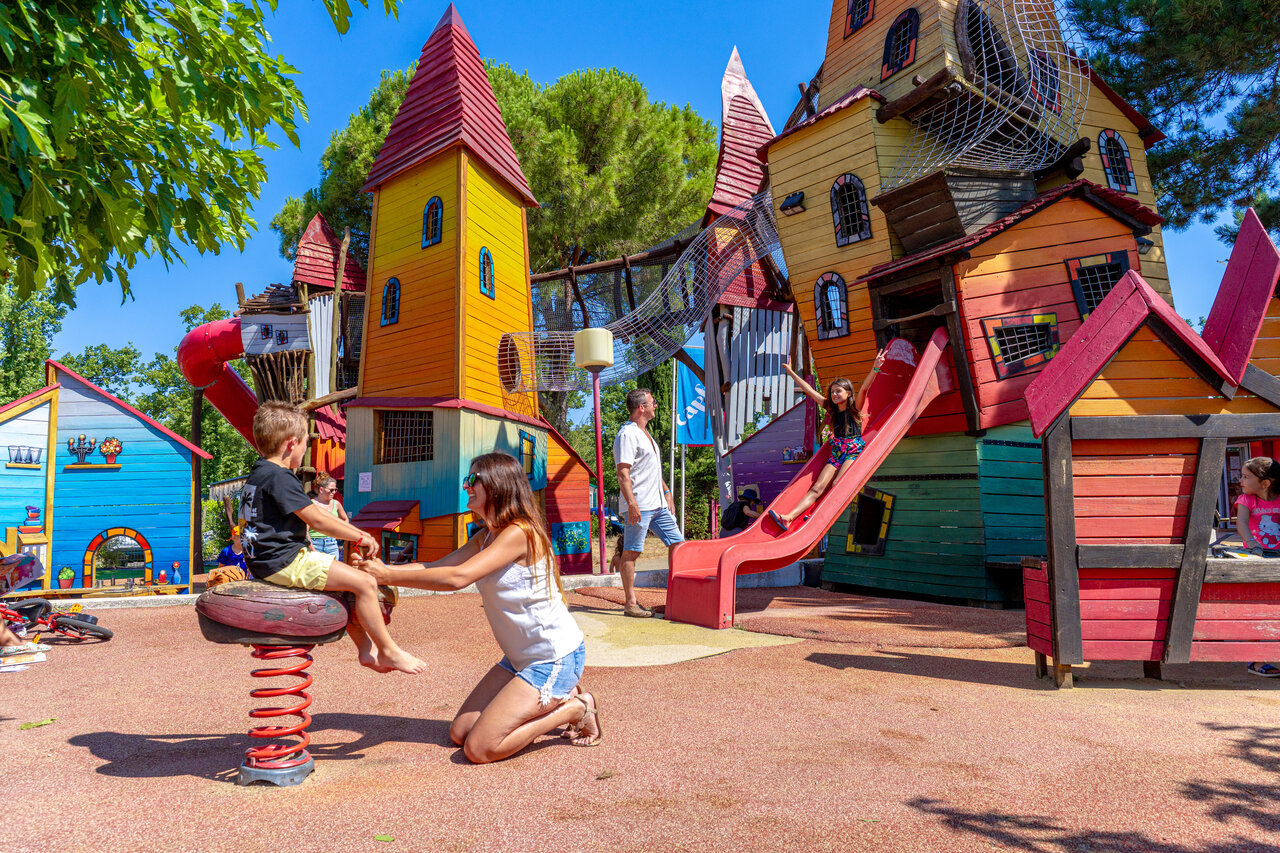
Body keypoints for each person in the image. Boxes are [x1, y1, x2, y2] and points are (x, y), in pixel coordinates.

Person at [356, 452, 600, 763]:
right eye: (466, 479)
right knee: (460, 732)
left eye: (473, 480)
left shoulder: (520, 532)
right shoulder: (487, 536)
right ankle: (554, 699)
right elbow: (437, 566)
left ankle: (576, 707)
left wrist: (387, 575)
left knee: (480, 748)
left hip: (553, 658)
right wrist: (379, 569)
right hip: (519, 659)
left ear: (498, 485)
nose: (466, 486)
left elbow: (459, 577)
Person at [240, 401, 425, 675]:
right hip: (284, 561)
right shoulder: (280, 477)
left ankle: (366, 651)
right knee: (364, 582)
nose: (305, 450)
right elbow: (318, 519)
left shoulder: (258, 473)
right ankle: (389, 649)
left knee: (347, 584)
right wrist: (360, 535)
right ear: (292, 443)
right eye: (305, 443)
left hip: (265, 560)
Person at [768, 353, 885, 531]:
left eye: (838, 391)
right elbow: (808, 390)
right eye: (832, 392)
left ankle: (823, 516)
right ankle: (788, 518)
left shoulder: (855, 409)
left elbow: (864, 389)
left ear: (848, 393)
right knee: (817, 488)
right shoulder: (830, 408)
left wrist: (875, 368)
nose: (834, 394)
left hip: (853, 451)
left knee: (838, 484)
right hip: (838, 451)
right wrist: (791, 372)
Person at [613, 387, 683, 617]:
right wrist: (631, 504)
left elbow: (651, 471)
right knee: (631, 552)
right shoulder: (627, 434)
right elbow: (623, 473)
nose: (656, 405)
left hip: (659, 505)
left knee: (679, 545)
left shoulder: (647, 435)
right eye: (653, 401)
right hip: (640, 506)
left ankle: (678, 594)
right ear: (641, 407)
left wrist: (667, 492)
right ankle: (630, 604)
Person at [1237, 457, 1280, 677]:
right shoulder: (1247, 500)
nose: (1241, 480)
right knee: (1256, 607)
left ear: (1265, 483)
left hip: (1278, 558)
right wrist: (1251, 542)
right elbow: (1242, 522)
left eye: (1246, 477)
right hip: (1257, 557)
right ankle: (1256, 660)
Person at [308, 472, 349, 558]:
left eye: (335, 490)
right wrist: (311, 546)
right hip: (315, 543)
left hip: (332, 543)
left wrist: (340, 533)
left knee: (334, 570)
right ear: (321, 490)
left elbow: (345, 519)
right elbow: (305, 529)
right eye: (331, 490)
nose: (334, 492)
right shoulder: (311, 504)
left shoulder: (336, 504)